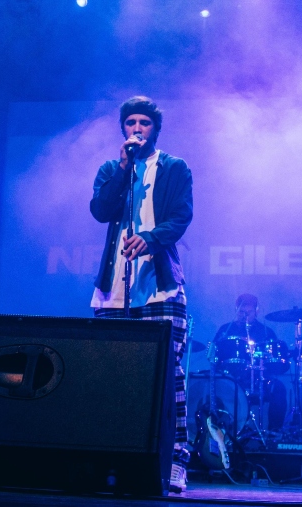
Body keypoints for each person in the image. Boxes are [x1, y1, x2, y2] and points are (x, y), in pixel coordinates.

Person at [89, 96, 193, 493]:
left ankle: (177, 459)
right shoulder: (110, 169)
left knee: (169, 374)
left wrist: (150, 238)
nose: (136, 128)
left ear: (155, 129)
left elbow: (181, 217)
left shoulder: (174, 167)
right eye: (130, 122)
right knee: (112, 372)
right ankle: (116, 456)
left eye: (144, 123)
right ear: (123, 129)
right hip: (115, 286)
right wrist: (122, 168)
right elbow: (100, 211)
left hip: (160, 285)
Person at [212, 293, 289, 432]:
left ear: (256, 311)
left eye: (249, 312)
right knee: (214, 388)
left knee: (279, 388)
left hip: (259, 379)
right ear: (236, 310)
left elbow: (273, 361)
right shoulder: (225, 330)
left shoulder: (266, 332)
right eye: (241, 312)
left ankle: (274, 432)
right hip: (230, 378)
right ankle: (221, 432)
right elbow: (215, 356)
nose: (245, 315)